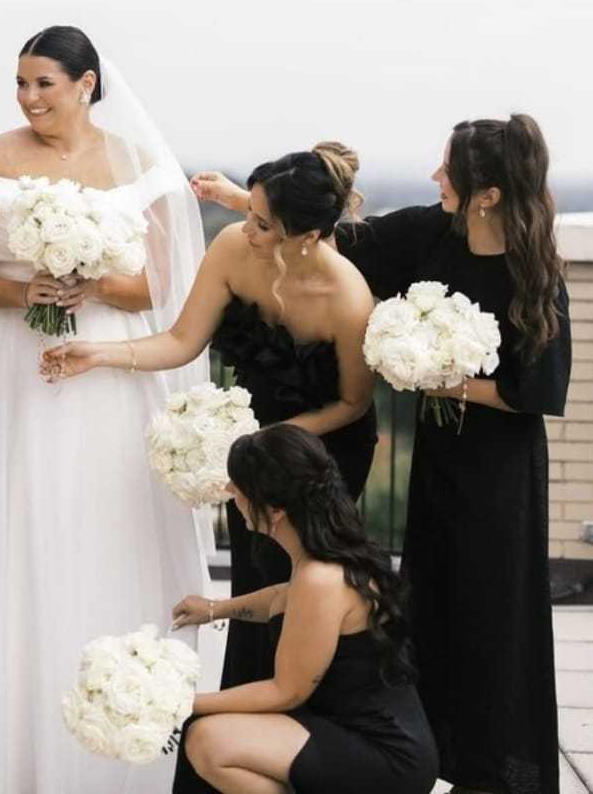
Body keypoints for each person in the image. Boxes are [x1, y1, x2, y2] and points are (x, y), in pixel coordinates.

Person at [195, 113, 573, 794]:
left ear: (487, 192)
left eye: (448, 170)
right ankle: (428, 753)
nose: (435, 178)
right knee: (425, 604)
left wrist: (443, 375)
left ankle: (493, 771)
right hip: (440, 461)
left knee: (492, 613)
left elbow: (538, 389)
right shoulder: (434, 232)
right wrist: (241, 204)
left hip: (500, 472)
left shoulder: (534, 267)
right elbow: (339, 238)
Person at [0, 26, 210, 793]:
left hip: (109, 371)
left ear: (87, 84)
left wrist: (97, 282)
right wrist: (25, 290)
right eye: (20, 83)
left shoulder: (138, 164)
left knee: (103, 523)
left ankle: (117, 718)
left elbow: (165, 286)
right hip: (11, 370)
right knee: (16, 519)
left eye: (44, 83)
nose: (29, 98)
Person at [45, 143, 378, 697]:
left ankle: (307, 724)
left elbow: (353, 404)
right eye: (249, 212)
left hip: (323, 452)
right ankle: (240, 714)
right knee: (254, 570)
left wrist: (271, 436)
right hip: (247, 447)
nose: (245, 228)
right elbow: (180, 340)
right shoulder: (231, 248)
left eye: (263, 224)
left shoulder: (347, 298)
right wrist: (97, 353)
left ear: (308, 237)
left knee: (307, 584)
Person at [170, 424, 438, 794]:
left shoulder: (321, 578)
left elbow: (286, 691)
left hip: (386, 755)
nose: (230, 492)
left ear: (275, 509)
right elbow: (279, 598)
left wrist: (181, 704)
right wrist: (214, 609)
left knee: (208, 739)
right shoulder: (319, 560)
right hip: (350, 731)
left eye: (239, 486)